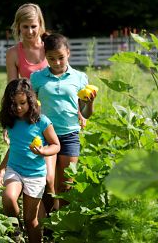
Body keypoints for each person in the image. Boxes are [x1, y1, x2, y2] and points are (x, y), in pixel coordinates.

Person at [30, 33, 97, 207]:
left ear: (68, 52)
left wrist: (90, 104)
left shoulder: (80, 78)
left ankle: (64, 227)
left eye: (61, 57)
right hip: (46, 135)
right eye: (51, 59)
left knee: (66, 185)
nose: (57, 62)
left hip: (69, 134)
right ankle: (48, 223)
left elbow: (86, 113)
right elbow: (31, 106)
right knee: (47, 181)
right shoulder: (37, 78)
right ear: (46, 57)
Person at [4, 3, 58, 214]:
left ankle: (52, 222)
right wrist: (8, 124)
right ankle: (30, 223)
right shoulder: (13, 53)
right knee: (37, 176)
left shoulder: (49, 45)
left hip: (52, 118)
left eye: (34, 26)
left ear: (41, 25)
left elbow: (65, 74)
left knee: (51, 179)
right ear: (18, 27)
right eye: (25, 27)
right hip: (27, 122)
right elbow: (11, 90)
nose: (30, 31)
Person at [0, 78, 60, 243]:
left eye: (22, 103)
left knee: (31, 220)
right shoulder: (12, 122)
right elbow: (14, 148)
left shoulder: (42, 122)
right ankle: (16, 229)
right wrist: (2, 168)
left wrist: (44, 151)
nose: (18, 108)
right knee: (9, 198)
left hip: (35, 174)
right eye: (13, 104)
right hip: (15, 169)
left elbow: (55, 145)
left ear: (30, 100)